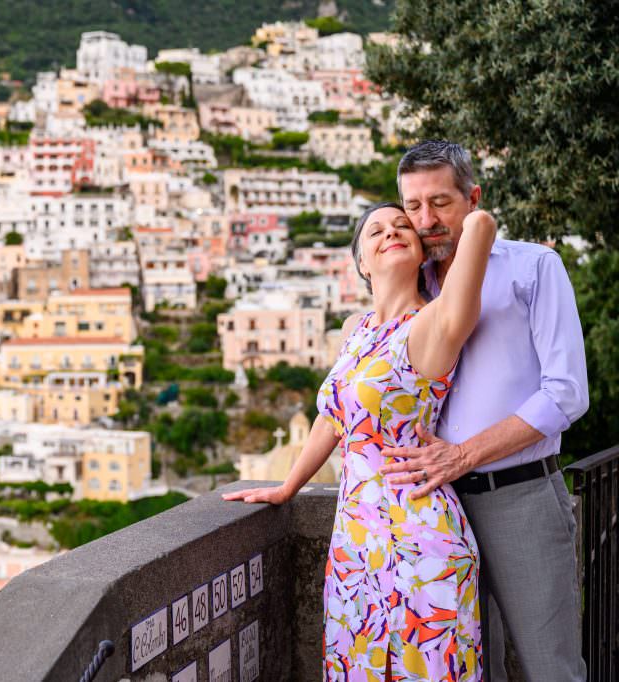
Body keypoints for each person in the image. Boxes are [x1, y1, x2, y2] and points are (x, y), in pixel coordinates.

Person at [225, 196, 497, 681]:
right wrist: (288, 487)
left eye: (402, 227)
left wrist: (446, 212)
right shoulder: (355, 329)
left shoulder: (432, 323)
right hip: (354, 544)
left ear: (421, 251)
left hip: (420, 542)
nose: (392, 232)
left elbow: (480, 227)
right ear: (362, 265)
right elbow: (334, 419)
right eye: (377, 231)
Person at [379, 140, 589, 681]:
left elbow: (566, 393)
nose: (426, 220)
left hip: (521, 499)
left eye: (440, 202)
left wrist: (463, 455)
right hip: (436, 510)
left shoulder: (534, 267)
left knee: (551, 670)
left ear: (473, 199)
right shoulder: (410, 286)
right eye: (413, 206)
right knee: (466, 672)